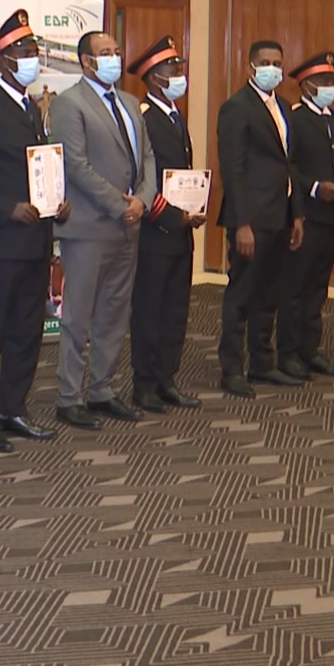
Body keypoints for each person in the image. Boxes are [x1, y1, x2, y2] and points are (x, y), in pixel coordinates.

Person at [0, 10, 70, 453]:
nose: (33, 58)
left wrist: (58, 200)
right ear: (3, 58)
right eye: (24, 51)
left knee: (27, 330)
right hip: (1, 240)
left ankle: (14, 408)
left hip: (36, 240)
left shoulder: (33, 108)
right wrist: (6, 207)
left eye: (34, 50)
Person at [50, 31, 154, 429]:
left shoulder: (129, 102)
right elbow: (75, 165)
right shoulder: (69, 103)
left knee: (114, 313)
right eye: (105, 53)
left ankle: (102, 390)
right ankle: (69, 397)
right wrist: (119, 205)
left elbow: (147, 157)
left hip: (128, 226)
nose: (114, 58)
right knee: (78, 316)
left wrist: (142, 200)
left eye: (116, 52)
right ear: (86, 62)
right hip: (89, 227)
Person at [215, 39, 304, 397]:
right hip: (251, 219)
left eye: (277, 62)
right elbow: (233, 169)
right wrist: (242, 223)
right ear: (251, 66)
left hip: (280, 215)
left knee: (269, 294)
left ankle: (263, 364)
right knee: (242, 295)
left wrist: (297, 214)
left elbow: (291, 164)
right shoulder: (236, 107)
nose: (273, 68)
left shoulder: (284, 106)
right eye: (265, 62)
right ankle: (232, 369)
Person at [126, 36, 205, 412]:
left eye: (178, 67)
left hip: (180, 233)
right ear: (153, 76)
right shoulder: (142, 118)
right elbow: (140, 179)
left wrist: (192, 211)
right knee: (149, 311)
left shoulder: (175, 115)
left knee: (175, 309)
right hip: (154, 231)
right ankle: (144, 384)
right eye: (171, 68)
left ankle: (166, 379)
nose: (178, 73)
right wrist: (173, 215)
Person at [276, 51, 334, 381]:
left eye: (332, 81)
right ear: (307, 84)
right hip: (305, 214)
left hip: (328, 215)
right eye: (324, 81)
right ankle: (289, 353)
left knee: (317, 288)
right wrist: (313, 188)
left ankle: (310, 350)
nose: (330, 87)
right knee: (295, 288)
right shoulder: (295, 119)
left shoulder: (331, 119)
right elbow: (290, 168)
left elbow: (332, 165)